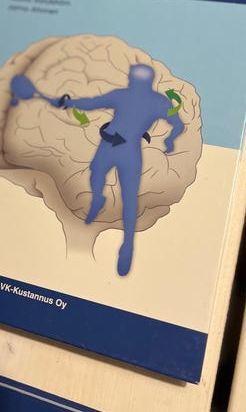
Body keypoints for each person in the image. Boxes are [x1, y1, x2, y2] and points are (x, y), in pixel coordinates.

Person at [57, 64, 184, 276]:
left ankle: (127, 244)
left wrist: (69, 102)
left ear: (134, 80)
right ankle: (102, 205)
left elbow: (91, 103)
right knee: (103, 178)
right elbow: (178, 124)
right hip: (122, 148)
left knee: (119, 191)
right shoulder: (157, 101)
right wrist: (169, 140)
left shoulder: (130, 96)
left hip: (118, 147)